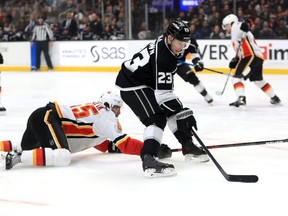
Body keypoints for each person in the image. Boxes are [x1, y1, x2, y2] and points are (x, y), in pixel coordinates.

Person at [115, 20, 209, 178]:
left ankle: (187, 145)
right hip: (132, 84)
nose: (182, 48)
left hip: (145, 83)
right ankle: (148, 158)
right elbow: (163, 95)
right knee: (157, 118)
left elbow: (165, 95)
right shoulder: (165, 56)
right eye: (180, 43)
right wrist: (184, 112)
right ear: (171, 38)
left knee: (171, 111)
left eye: (184, 44)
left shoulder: (167, 45)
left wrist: (180, 112)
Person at [1, 91, 172, 170]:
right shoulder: (106, 116)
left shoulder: (97, 114)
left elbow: (103, 144)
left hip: (41, 116)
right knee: (63, 156)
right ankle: (15, 158)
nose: (119, 112)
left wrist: (115, 146)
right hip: (49, 119)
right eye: (118, 108)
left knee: (25, 147)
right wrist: (151, 149)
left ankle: (7, 149)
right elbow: (125, 144)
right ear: (110, 106)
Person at [222, 14, 281, 107]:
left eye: (226, 26)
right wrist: (236, 59)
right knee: (258, 80)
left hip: (250, 56)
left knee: (236, 78)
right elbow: (240, 49)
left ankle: (241, 98)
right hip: (257, 57)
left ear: (230, 23)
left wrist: (248, 23)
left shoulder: (236, 26)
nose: (225, 28)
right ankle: (274, 98)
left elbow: (247, 23)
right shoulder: (235, 32)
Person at [177, 34, 213, 104]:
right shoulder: (168, 37)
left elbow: (194, 53)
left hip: (180, 64)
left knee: (193, 79)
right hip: (165, 64)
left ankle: (206, 95)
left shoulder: (191, 41)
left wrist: (197, 62)